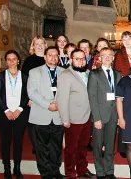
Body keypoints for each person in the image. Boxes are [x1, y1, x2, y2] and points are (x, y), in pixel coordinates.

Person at [27, 46, 65, 179]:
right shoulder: (34, 72)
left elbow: (67, 92)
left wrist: (59, 104)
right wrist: (48, 104)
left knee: (56, 146)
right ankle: (46, 173)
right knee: (42, 147)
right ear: (45, 57)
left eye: (55, 55)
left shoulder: (64, 72)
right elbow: (32, 92)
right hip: (41, 114)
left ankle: (55, 170)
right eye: (50, 55)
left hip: (58, 116)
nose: (53, 58)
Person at [57, 49, 95, 179]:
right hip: (73, 119)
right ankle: (70, 173)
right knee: (71, 149)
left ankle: (82, 170)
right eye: (77, 59)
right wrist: (65, 119)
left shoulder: (89, 73)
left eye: (83, 58)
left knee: (82, 147)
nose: (80, 61)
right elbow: (62, 99)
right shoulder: (65, 75)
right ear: (71, 60)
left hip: (87, 117)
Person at [87, 47, 122, 179]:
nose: (107, 57)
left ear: (113, 58)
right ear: (100, 58)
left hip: (113, 115)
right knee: (97, 145)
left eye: (110, 55)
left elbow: (119, 97)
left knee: (110, 145)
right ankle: (100, 172)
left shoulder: (118, 74)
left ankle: (109, 171)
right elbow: (92, 97)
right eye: (104, 55)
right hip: (100, 116)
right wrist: (96, 118)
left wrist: (119, 115)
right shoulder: (94, 74)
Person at [0, 50, 29, 179]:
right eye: (8, 59)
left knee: (18, 142)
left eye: (14, 59)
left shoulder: (24, 76)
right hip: (5, 114)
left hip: (19, 113)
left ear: (18, 60)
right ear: (6, 61)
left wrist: (19, 109)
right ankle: (7, 168)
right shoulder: (1, 76)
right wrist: (6, 111)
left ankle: (17, 168)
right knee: (5, 141)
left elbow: (26, 95)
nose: (11, 62)